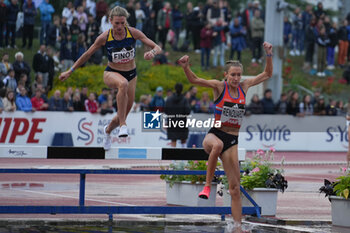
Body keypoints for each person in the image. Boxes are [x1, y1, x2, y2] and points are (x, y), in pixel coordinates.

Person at [178, 41, 273, 232]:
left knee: (235, 189)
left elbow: (267, 74)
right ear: (226, 75)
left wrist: (268, 55)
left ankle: (237, 227)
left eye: (239, 75)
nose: (236, 78)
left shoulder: (244, 86)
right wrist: (186, 67)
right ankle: (207, 185)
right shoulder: (218, 87)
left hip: (232, 140)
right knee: (217, 145)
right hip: (214, 135)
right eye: (233, 75)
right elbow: (195, 80)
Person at [59, 6, 162, 150]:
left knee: (123, 112)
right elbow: (87, 55)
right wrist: (70, 71)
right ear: (110, 21)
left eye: (122, 23)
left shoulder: (133, 33)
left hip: (131, 74)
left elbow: (157, 47)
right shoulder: (104, 37)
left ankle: (108, 131)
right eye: (116, 24)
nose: (120, 27)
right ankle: (123, 126)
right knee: (123, 84)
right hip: (111, 73)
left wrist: (152, 52)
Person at [164, 83, 191, 148]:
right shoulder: (184, 100)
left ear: (175, 89)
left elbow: (166, 111)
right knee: (183, 140)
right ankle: (184, 157)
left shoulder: (169, 99)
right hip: (182, 122)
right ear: (182, 90)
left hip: (172, 121)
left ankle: (173, 157)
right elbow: (187, 111)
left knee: (173, 140)